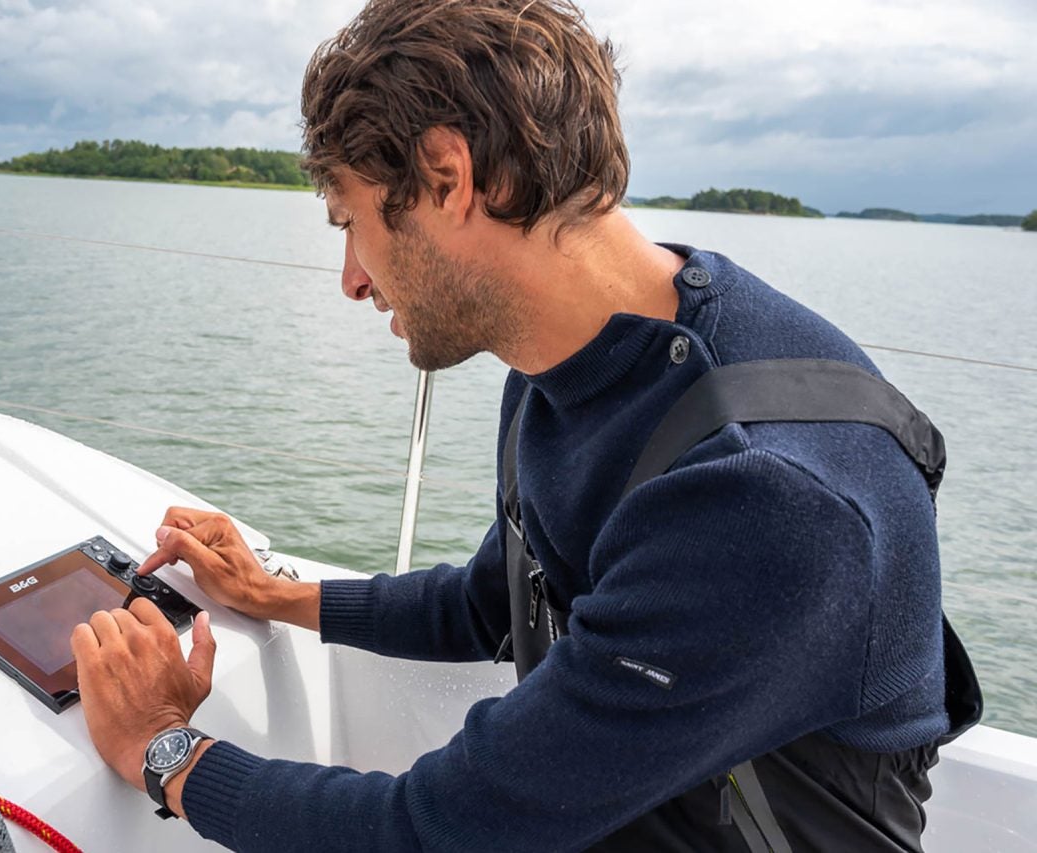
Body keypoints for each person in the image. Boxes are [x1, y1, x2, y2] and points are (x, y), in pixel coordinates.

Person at [70, 0, 963, 849]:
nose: (350, 278)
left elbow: (430, 832)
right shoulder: (569, 363)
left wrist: (161, 747)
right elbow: (497, 598)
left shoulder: (764, 496)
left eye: (350, 222)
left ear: (449, 177)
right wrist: (271, 594)